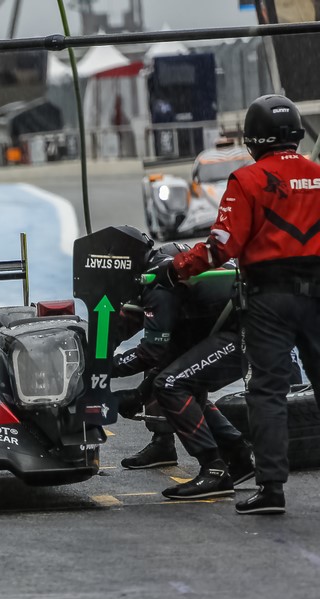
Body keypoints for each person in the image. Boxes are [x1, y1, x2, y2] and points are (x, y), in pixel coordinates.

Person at [151, 94, 320, 514]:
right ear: (296, 133)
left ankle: (272, 490)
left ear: (254, 138)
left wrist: (176, 269)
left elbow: (221, 247)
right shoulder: (317, 176)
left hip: (269, 301)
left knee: (268, 393)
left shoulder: (246, 180)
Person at [112, 238, 254, 500]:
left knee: (172, 384)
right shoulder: (174, 283)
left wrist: (110, 367)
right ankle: (239, 456)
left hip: (252, 332)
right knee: (182, 383)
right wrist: (139, 395)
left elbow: (151, 352)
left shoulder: (157, 284)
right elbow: (168, 356)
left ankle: (214, 470)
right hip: (248, 325)